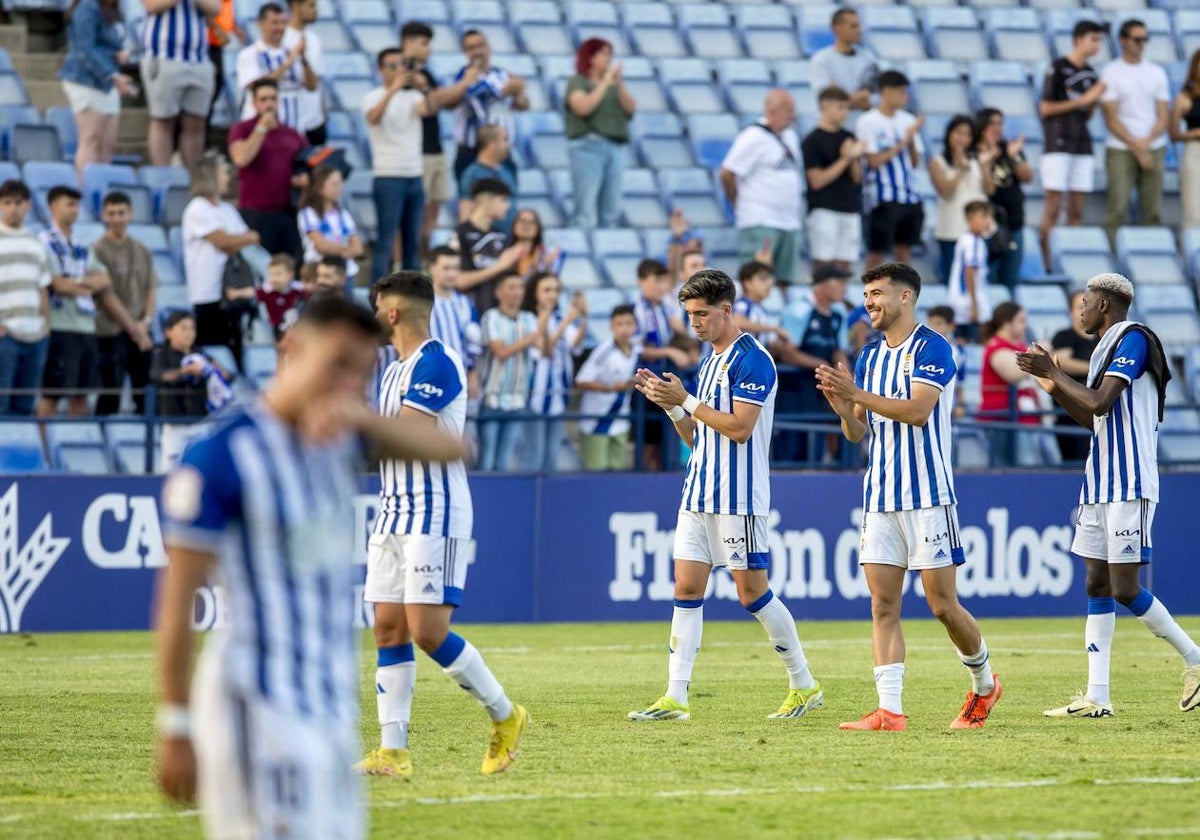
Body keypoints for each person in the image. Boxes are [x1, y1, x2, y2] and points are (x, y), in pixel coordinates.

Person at [154, 295, 465, 837]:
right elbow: (175, 606)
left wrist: (358, 413)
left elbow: (454, 447)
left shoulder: (337, 441)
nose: (348, 382)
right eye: (337, 364)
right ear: (291, 349)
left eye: (361, 372)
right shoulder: (222, 455)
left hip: (329, 709)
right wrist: (176, 724)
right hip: (256, 707)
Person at [628, 269, 823, 723]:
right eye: (689, 314)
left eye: (701, 313)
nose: (694, 322)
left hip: (739, 498)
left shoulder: (752, 359)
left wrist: (688, 400)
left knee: (752, 595)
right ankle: (676, 697)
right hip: (698, 492)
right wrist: (673, 406)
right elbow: (701, 438)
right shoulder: (710, 358)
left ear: (726, 310)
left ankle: (803, 683)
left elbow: (738, 429)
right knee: (686, 587)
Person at [357, 271, 528, 779]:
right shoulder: (393, 370)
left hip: (434, 510)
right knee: (387, 626)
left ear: (391, 311)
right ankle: (393, 752)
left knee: (428, 630)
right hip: (392, 509)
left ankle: (506, 715)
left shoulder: (439, 361)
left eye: (376, 307)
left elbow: (407, 433)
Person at [816, 262, 1001, 731]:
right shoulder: (870, 355)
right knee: (883, 605)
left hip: (928, 495)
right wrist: (845, 408)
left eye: (877, 293)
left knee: (942, 605)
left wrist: (857, 393)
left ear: (905, 297)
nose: (869, 303)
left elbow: (919, 411)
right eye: (866, 295)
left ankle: (984, 683)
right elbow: (859, 432)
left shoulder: (933, 348)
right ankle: (890, 711)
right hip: (880, 497)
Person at [1017, 273, 1200, 717]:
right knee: (1096, 582)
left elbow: (1100, 402)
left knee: (1124, 587)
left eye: (1084, 301)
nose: (1079, 309)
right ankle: (1097, 696)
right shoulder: (1103, 348)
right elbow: (1092, 419)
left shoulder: (1134, 339)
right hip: (1098, 482)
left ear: (1104, 305)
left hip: (1129, 480)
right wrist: (1054, 386)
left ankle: (1195, 658)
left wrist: (1056, 372)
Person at [1038, 20, 1107, 267]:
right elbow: (1045, 108)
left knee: (1077, 210)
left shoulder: (1091, 74)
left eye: (1099, 40)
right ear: (1078, 39)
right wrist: (1084, 100)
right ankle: (1045, 261)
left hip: (1082, 144)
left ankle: (1070, 259)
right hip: (1058, 143)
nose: (1097, 45)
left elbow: (1086, 113)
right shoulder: (1057, 68)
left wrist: (1090, 105)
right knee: (1053, 208)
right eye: (1093, 39)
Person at [182, 155, 260, 371]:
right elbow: (225, 242)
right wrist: (242, 239)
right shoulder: (197, 208)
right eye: (224, 172)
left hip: (232, 291)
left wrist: (240, 239)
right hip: (208, 292)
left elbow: (249, 239)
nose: (228, 177)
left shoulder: (227, 210)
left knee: (236, 347)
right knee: (213, 350)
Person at [38, 185, 110, 419]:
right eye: (69, 204)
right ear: (53, 207)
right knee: (52, 393)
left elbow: (104, 279)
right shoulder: (44, 242)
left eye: (77, 205)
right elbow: (57, 284)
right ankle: (45, 450)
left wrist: (75, 283)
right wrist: (84, 282)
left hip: (86, 326)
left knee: (81, 394)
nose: (75, 210)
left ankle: (76, 447)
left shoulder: (82, 244)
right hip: (60, 325)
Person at [719, 90, 802, 284]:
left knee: (784, 280)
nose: (793, 115)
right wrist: (736, 200)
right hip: (761, 218)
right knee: (758, 276)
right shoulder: (753, 136)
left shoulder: (791, 137)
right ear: (772, 111)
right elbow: (727, 172)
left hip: (789, 220)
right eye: (788, 110)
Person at [364, 47, 433, 282]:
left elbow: (429, 110)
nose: (398, 71)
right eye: (392, 66)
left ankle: (411, 293)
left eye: (401, 65)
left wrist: (424, 86)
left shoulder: (413, 97)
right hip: (388, 174)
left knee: (413, 240)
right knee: (386, 238)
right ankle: (378, 294)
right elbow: (373, 118)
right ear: (381, 70)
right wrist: (392, 89)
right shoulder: (373, 96)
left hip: (414, 174)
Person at [1100, 19, 1170, 245]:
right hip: (1121, 147)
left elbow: (1163, 114)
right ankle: (1112, 257)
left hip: (1153, 145)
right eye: (1137, 39)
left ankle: (1147, 257)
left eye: (1145, 39)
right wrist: (1138, 146)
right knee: (1117, 206)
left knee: (1152, 209)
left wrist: (1146, 143)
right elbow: (1111, 118)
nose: (1142, 44)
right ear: (1123, 41)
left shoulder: (1156, 72)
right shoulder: (1111, 72)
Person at [228, 78, 308, 262]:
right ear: (254, 102)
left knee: (291, 266)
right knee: (258, 267)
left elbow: (306, 164)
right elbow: (241, 158)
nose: (269, 104)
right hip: (256, 212)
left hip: (287, 212)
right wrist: (261, 128)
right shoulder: (242, 129)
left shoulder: (292, 134)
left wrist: (302, 179)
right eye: (263, 99)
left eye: (273, 98)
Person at [778, 265, 849, 465]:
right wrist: (820, 364)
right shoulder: (799, 310)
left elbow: (839, 348)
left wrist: (845, 373)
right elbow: (787, 352)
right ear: (824, 285)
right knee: (793, 441)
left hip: (820, 387)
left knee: (816, 440)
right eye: (840, 283)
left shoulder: (837, 314)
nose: (844, 288)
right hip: (794, 386)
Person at [94, 191, 156, 415]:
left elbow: (150, 289)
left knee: (145, 392)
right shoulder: (98, 250)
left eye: (121, 212)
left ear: (130, 214)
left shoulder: (142, 249)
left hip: (141, 328)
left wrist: (146, 322)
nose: (117, 218)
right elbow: (106, 296)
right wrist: (135, 329)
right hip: (110, 331)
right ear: (104, 216)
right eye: (112, 213)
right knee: (110, 393)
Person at [857, 71, 926, 270]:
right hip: (883, 197)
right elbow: (873, 160)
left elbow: (914, 162)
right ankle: (868, 296)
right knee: (877, 252)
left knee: (904, 251)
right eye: (901, 92)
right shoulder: (868, 121)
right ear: (886, 92)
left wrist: (912, 139)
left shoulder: (907, 120)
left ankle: (903, 296)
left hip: (909, 196)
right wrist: (902, 142)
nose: (906, 97)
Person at [565, 37, 636, 230]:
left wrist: (618, 83)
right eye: (603, 53)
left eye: (609, 54)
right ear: (590, 56)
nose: (608, 58)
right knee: (585, 208)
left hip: (614, 146)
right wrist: (603, 83)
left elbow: (630, 108)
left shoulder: (613, 86)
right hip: (588, 147)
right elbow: (582, 107)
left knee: (611, 209)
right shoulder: (578, 82)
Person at [60, 0, 135, 179]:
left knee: (107, 144)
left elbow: (107, 43)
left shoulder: (114, 8)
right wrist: (112, 74)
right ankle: (85, 190)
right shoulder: (86, 6)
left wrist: (119, 54)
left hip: (108, 82)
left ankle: (101, 189)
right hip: (85, 79)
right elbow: (84, 49)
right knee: (91, 139)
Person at [149, 310, 231, 471]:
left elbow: (226, 376)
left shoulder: (201, 354)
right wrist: (185, 372)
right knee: (169, 471)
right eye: (183, 328)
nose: (189, 333)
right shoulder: (161, 355)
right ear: (168, 332)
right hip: (175, 425)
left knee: (204, 469)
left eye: (192, 328)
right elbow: (158, 376)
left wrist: (215, 369)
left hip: (201, 422)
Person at [141, 0, 219, 168]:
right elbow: (152, 5)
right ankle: (163, 178)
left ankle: (194, 182)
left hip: (198, 58)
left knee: (196, 123)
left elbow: (215, 8)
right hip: (163, 55)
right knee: (163, 121)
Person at [477, 272, 539, 472]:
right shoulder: (491, 317)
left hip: (517, 398)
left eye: (520, 287)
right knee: (486, 459)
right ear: (498, 292)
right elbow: (500, 352)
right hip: (491, 397)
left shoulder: (529, 318)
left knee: (504, 461)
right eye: (511, 287)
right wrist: (529, 339)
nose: (517, 292)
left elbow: (543, 348)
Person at [448, 29, 528, 182]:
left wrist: (519, 95)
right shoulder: (464, 76)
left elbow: (522, 104)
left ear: (488, 48)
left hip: (503, 151)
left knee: (505, 201)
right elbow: (477, 95)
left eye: (480, 46)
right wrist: (505, 91)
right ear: (465, 53)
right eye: (471, 48)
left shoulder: (503, 74)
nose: (477, 52)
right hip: (473, 152)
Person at [525, 273, 586, 472]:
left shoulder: (560, 317)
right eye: (547, 290)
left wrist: (583, 318)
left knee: (552, 453)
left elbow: (575, 344)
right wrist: (566, 323)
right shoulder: (528, 319)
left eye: (556, 290)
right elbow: (545, 350)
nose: (552, 295)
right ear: (535, 293)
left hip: (558, 393)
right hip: (535, 394)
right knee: (535, 454)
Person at [633, 259, 690, 472]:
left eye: (664, 280)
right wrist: (669, 351)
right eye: (656, 280)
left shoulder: (666, 307)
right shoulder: (636, 309)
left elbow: (679, 337)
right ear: (642, 281)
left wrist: (681, 336)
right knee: (646, 441)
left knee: (663, 440)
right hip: (645, 382)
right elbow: (637, 349)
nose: (662, 286)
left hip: (664, 381)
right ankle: (644, 481)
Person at [0, 180, 51, 416]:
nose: (13, 208)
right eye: (7, 202)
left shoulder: (35, 241)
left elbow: (42, 286)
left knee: (24, 406)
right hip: (6, 334)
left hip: (35, 334)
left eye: (18, 203)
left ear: (28, 205)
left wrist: (46, 326)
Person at [802, 86, 864, 274]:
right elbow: (817, 181)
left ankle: (840, 297)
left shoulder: (849, 137)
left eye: (847, 108)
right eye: (840, 107)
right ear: (825, 107)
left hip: (850, 207)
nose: (845, 113)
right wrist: (845, 158)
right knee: (824, 262)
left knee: (846, 263)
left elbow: (857, 178)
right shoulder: (812, 140)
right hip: (824, 208)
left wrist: (853, 158)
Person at [931, 115, 995, 283]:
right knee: (954, 279)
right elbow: (945, 191)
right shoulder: (938, 161)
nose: (962, 138)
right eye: (958, 133)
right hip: (952, 229)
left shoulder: (977, 159)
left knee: (979, 278)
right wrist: (959, 169)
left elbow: (990, 189)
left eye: (967, 134)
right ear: (949, 134)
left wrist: (985, 166)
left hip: (979, 229)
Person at [975, 108, 1033, 292]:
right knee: (988, 279)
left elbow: (1027, 177)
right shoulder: (972, 151)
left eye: (1000, 123)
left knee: (1010, 280)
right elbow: (989, 189)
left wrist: (1013, 156)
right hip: (987, 225)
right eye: (992, 123)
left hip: (1014, 222)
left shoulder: (1009, 147)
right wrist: (988, 160)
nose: (997, 128)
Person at [979, 302, 1043, 466]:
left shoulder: (1020, 346)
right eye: (1021, 320)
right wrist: (1037, 358)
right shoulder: (995, 346)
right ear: (1007, 323)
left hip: (1025, 417)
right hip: (1002, 418)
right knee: (1006, 467)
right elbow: (1013, 374)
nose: (1024, 325)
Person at [576, 304, 639, 472]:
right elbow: (581, 380)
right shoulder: (603, 351)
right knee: (596, 475)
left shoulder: (636, 350)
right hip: (597, 420)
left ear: (635, 326)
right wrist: (610, 388)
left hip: (621, 420)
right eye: (619, 324)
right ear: (611, 327)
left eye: (628, 324)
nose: (624, 329)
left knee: (617, 473)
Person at [235, 3, 316, 131]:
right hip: (261, 127)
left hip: (295, 124)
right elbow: (258, 85)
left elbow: (312, 86)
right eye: (275, 23)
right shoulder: (249, 54)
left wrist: (304, 59)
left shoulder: (292, 52)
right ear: (260, 24)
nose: (280, 27)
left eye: (283, 23)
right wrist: (288, 63)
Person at [456, 178, 527, 315]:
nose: (508, 206)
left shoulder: (502, 236)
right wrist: (500, 265)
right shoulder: (461, 234)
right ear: (487, 201)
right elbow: (459, 281)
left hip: (499, 316)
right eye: (503, 200)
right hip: (470, 313)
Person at [1050, 290, 1100, 462]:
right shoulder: (1063, 337)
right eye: (1080, 306)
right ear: (1070, 311)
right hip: (1069, 414)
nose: (1084, 311)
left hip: (1097, 411)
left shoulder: (1102, 339)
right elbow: (1060, 363)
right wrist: (1095, 368)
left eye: (1088, 306)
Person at [426, 246, 481, 397]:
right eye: (446, 268)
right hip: (429, 380)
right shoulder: (423, 303)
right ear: (432, 268)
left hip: (460, 379)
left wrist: (473, 376)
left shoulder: (466, 303)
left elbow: (473, 344)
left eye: (456, 268)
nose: (451, 274)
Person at [298, 166, 362, 294]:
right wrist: (345, 249)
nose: (339, 188)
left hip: (345, 272)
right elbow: (321, 245)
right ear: (319, 187)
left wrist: (334, 249)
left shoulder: (343, 214)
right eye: (333, 184)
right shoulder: (308, 213)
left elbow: (358, 249)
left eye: (340, 183)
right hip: (318, 272)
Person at [809, 8, 878, 120]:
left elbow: (877, 95)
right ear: (837, 29)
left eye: (859, 26)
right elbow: (828, 101)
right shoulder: (821, 60)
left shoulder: (868, 58)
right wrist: (857, 98)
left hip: (865, 125)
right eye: (853, 26)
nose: (859, 30)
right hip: (836, 129)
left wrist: (845, 99)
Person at [946, 201, 995, 342]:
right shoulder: (972, 242)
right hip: (968, 301)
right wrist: (974, 305)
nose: (988, 221)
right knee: (982, 340)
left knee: (962, 340)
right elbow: (969, 271)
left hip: (959, 299)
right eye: (983, 216)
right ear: (970, 219)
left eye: (989, 217)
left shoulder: (966, 239)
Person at [457, 125, 518, 234]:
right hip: (486, 240)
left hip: (509, 237)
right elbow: (466, 209)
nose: (508, 145)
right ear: (492, 144)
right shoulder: (472, 174)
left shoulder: (507, 172)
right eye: (505, 140)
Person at [283, 0, 326, 146]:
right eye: (311, 5)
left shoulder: (314, 39)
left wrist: (323, 113)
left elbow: (318, 80)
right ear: (295, 5)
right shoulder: (282, 38)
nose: (316, 10)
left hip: (315, 121)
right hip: (292, 120)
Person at [205, 0, 241, 141]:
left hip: (218, 46)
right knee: (206, 99)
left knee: (213, 96)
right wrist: (218, 30)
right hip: (206, 46)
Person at [1171, 50, 1200, 229]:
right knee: (1194, 211)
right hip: (1195, 151)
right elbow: (1174, 134)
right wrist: (1194, 133)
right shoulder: (1185, 97)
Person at [255, 253, 305, 340]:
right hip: (273, 332)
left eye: (278, 274)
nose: (274, 278)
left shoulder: (299, 290)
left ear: (290, 274)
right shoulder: (266, 291)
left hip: (297, 332)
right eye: (271, 274)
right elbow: (251, 292)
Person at [510, 208, 561, 279]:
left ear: (538, 228)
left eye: (531, 222)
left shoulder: (546, 254)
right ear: (514, 225)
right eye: (522, 221)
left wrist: (544, 266)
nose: (526, 225)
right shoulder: (503, 252)